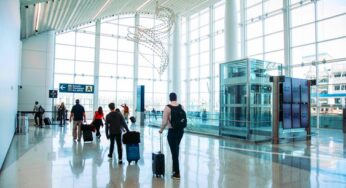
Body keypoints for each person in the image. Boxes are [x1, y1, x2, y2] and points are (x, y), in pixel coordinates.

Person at [159, 92, 185, 179]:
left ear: (170, 98)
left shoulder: (167, 107)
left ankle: (177, 173)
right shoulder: (181, 106)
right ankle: (175, 170)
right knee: (176, 149)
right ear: (176, 98)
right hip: (181, 131)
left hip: (172, 131)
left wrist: (161, 130)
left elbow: (165, 122)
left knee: (174, 152)